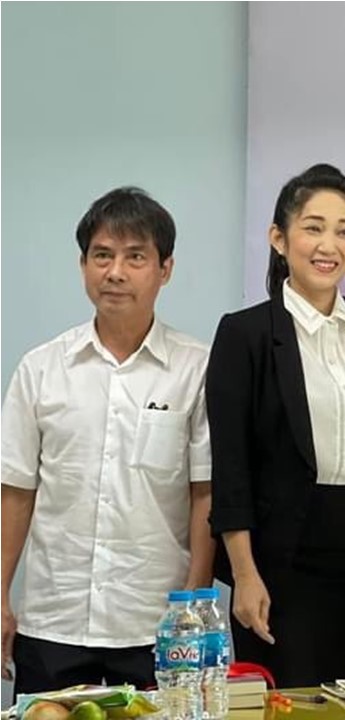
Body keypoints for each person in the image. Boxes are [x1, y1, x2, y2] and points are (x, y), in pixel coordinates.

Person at [1, 187, 214, 693]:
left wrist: (195, 604)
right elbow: (16, 491)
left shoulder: (197, 369)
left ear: (165, 269)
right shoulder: (41, 368)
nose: (115, 272)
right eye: (102, 255)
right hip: (53, 619)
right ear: (83, 266)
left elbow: (205, 492)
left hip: (157, 622)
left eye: (135, 257)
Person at [206, 164, 345, 686]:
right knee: (284, 703)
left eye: (344, 230)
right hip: (277, 563)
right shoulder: (245, 334)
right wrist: (244, 574)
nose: (328, 245)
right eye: (313, 227)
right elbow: (231, 467)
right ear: (279, 238)